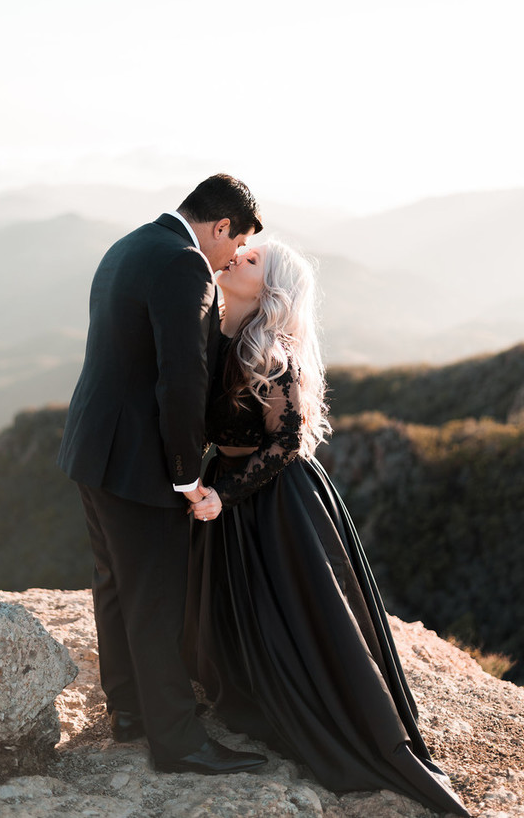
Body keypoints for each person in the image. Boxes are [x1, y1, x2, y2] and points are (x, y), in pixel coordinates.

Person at [184, 239, 470, 815]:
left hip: (275, 498)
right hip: (228, 489)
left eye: (254, 259)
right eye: (241, 252)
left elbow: (288, 442)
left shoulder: (271, 351)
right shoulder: (218, 334)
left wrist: (225, 493)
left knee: (299, 615)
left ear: (272, 289)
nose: (238, 256)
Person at [57, 174, 268, 775]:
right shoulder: (185, 264)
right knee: (154, 599)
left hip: (92, 450)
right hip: (138, 461)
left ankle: (129, 712)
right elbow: (181, 379)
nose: (231, 258)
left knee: (116, 585)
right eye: (238, 242)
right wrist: (185, 476)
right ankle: (179, 743)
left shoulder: (128, 244)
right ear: (221, 224)